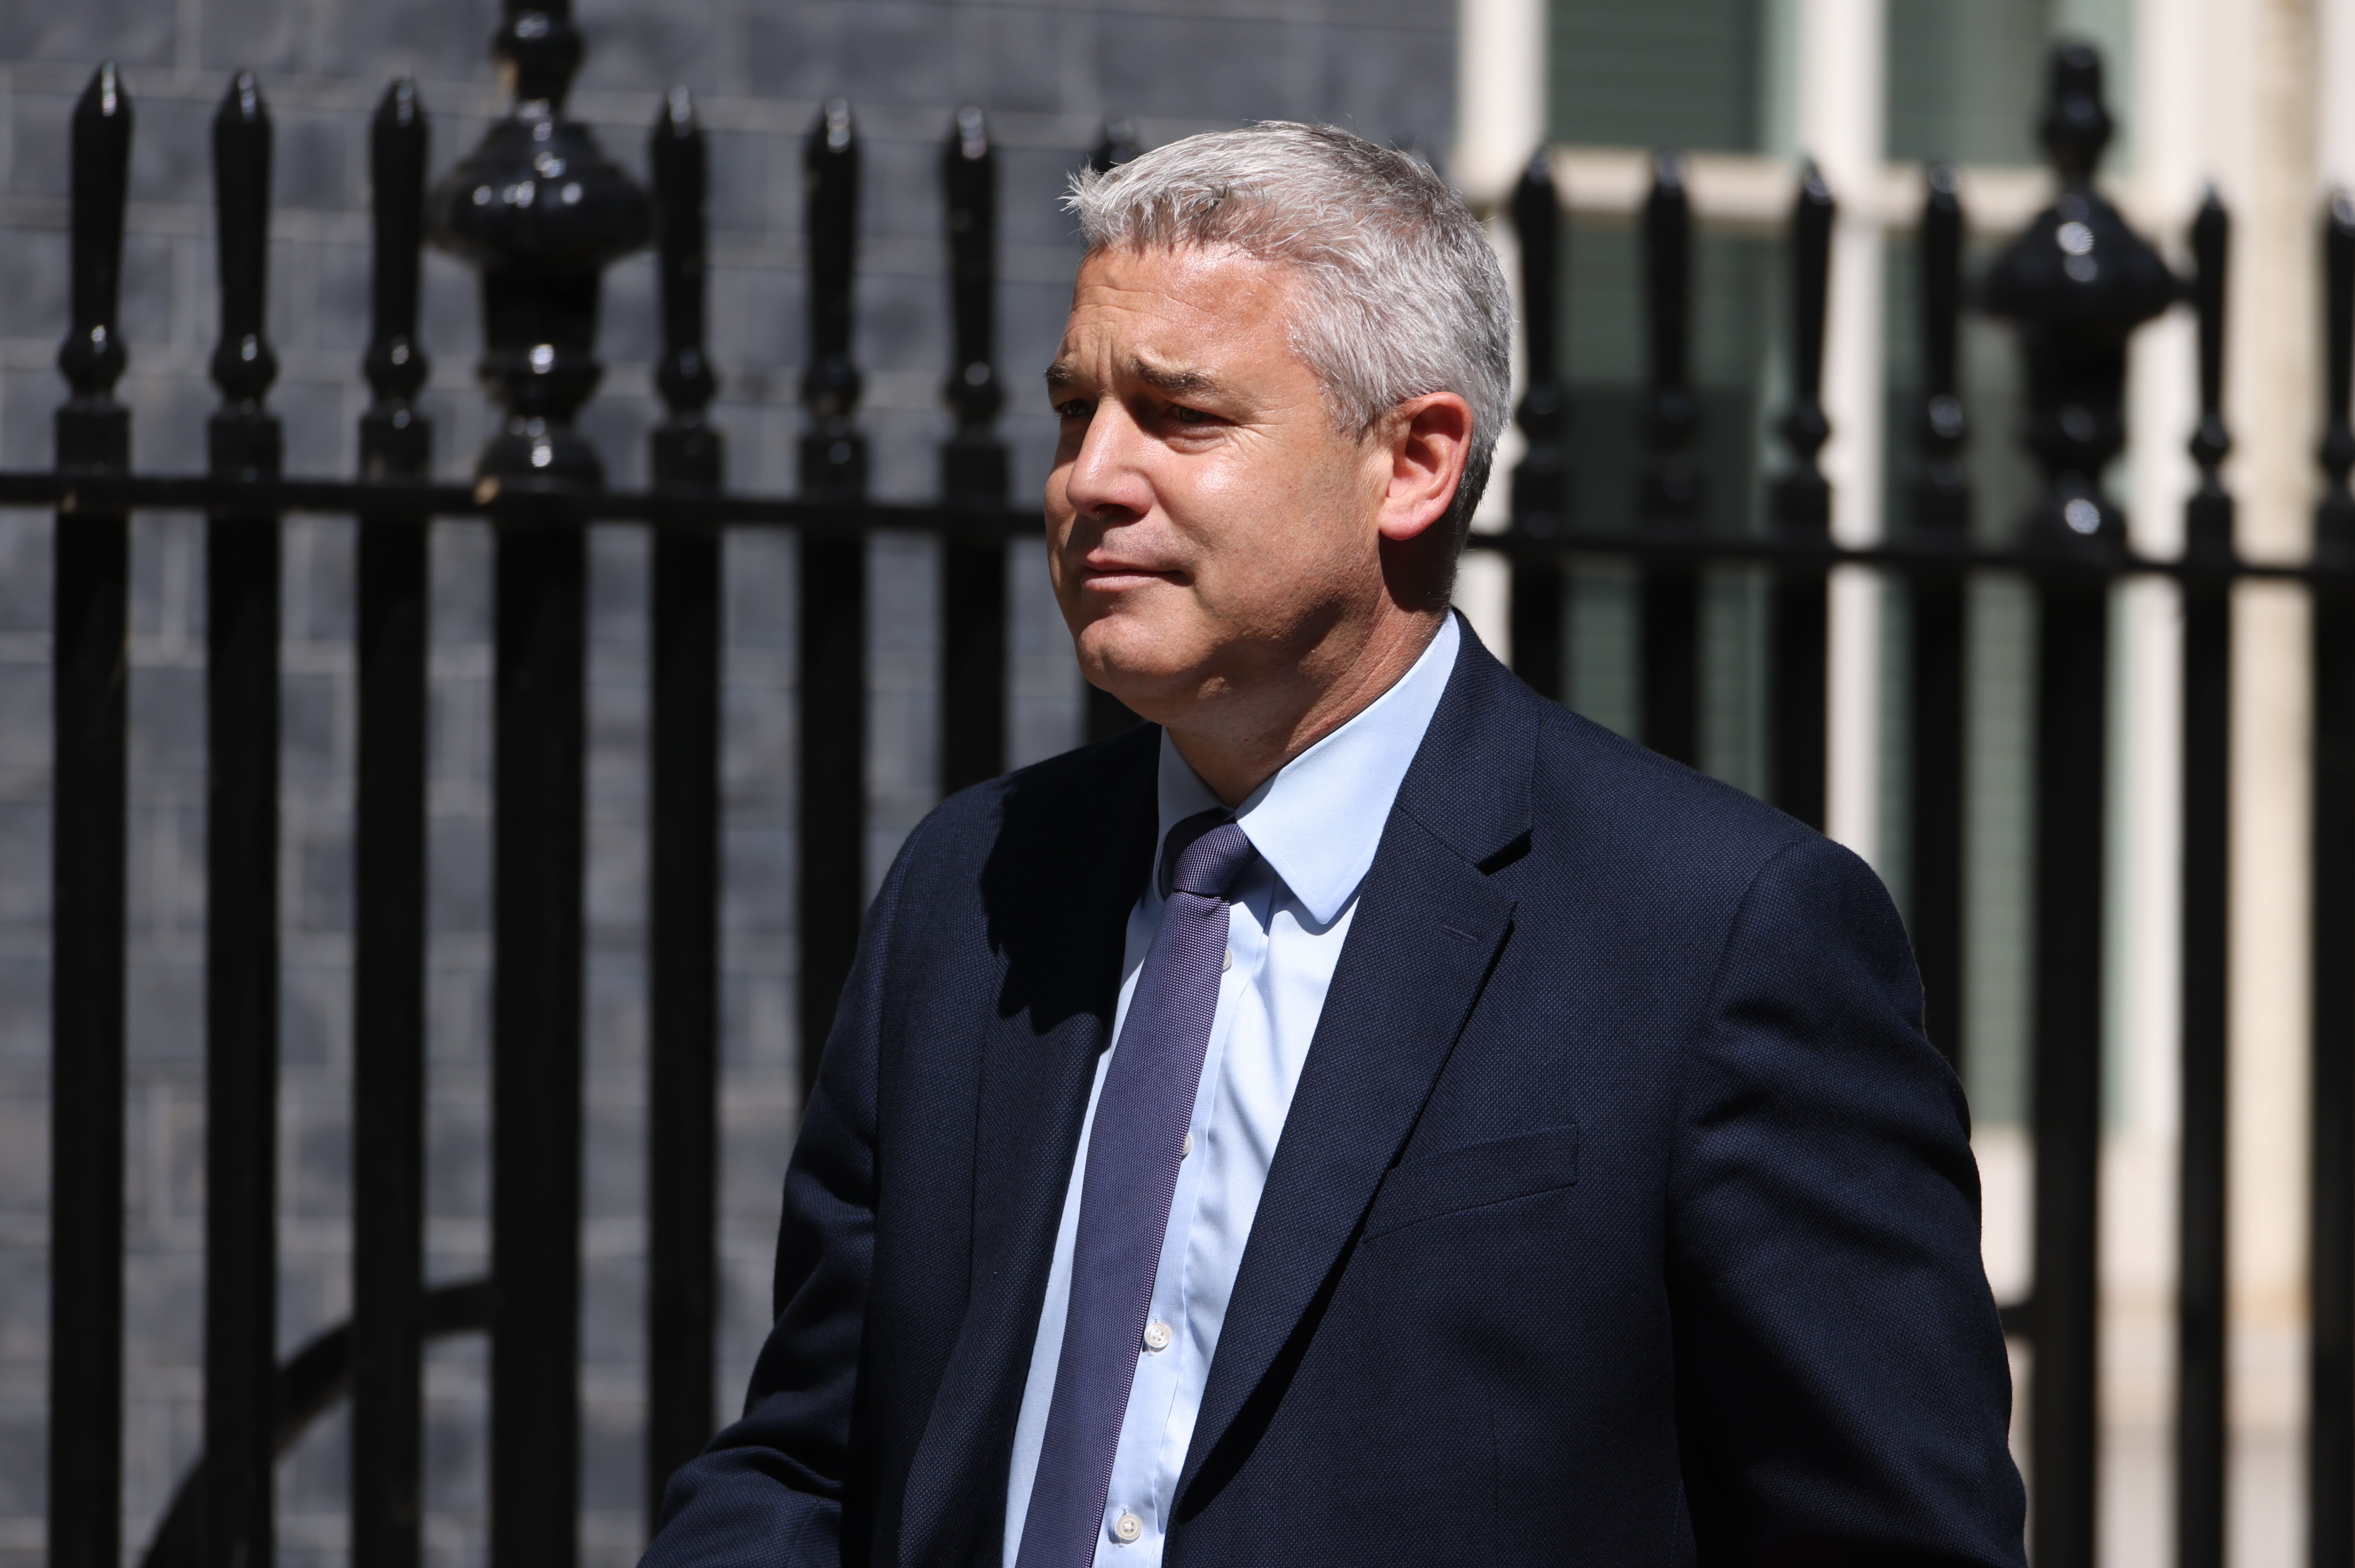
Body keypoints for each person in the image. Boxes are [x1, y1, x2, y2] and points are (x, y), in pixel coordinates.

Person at [641, 121, 2026, 1568]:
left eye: (1179, 418)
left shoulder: (1718, 936)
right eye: (1074, 412)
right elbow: (811, 1461)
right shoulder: (970, 886)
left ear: (1415, 463)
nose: (1089, 479)